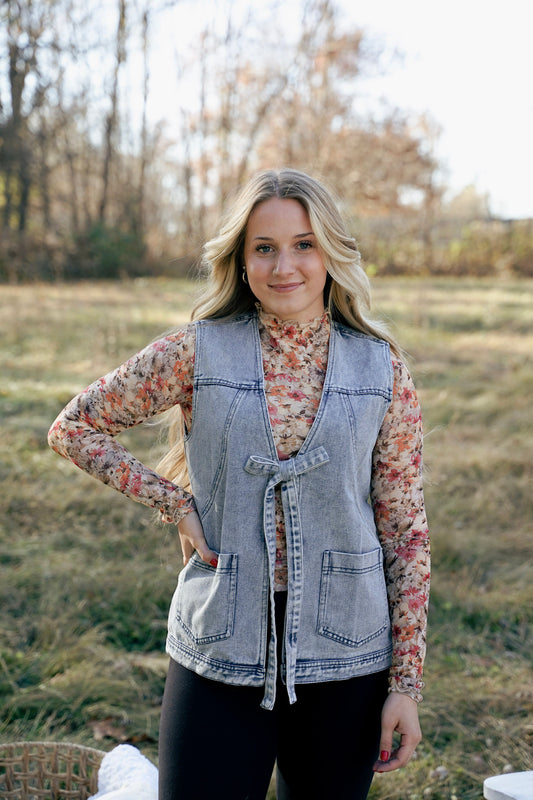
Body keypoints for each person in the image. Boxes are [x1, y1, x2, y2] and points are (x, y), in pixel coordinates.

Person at [48, 168, 430, 800]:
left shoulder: (381, 369)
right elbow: (75, 427)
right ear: (241, 260)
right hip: (219, 643)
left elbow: (406, 532)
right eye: (264, 247)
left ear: (331, 253)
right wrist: (174, 503)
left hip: (348, 650)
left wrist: (406, 685)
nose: (285, 266)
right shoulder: (196, 352)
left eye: (304, 244)